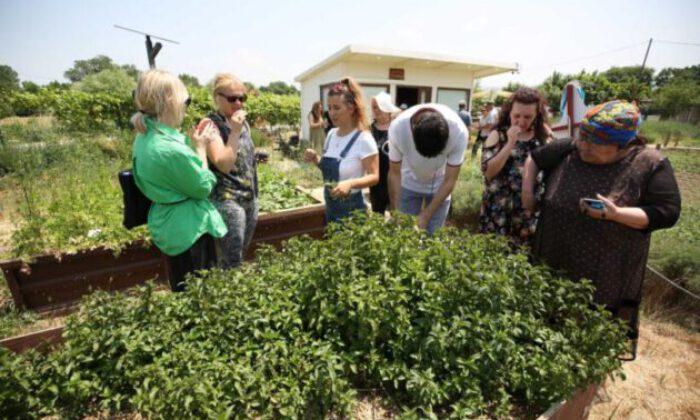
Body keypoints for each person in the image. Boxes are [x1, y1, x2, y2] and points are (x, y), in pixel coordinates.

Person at [522, 100, 681, 340]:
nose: (583, 145)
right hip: (555, 250)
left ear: (622, 145)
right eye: (582, 136)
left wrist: (616, 214)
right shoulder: (571, 148)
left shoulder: (649, 163)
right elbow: (535, 159)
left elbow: (666, 212)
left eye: (593, 142)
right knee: (548, 311)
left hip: (606, 267)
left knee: (593, 325)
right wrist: (528, 194)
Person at [131, 69, 227, 292]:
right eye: (186, 101)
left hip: (169, 224)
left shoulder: (145, 135)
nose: (186, 106)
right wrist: (201, 149)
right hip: (190, 230)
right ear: (170, 101)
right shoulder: (169, 149)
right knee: (202, 296)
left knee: (182, 289)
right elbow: (202, 187)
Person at [198, 73, 260, 269]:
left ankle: (234, 289)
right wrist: (234, 131)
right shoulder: (209, 125)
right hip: (227, 200)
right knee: (230, 258)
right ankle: (228, 293)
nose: (239, 103)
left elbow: (238, 155)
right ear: (218, 98)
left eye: (242, 98)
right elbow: (223, 164)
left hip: (249, 196)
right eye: (232, 98)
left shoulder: (241, 123)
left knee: (240, 252)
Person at [479, 87, 550, 246]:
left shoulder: (542, 137)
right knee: (493, 256)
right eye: (516, 116)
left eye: (528, 116)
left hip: (527, 213)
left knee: (523, 260)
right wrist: (510, 143)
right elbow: (488, 172)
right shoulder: (498, 134)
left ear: (536, 115)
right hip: (498, 212)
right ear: (509, 112)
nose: (521, 121)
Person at [304, 77, 379, 224]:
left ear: (351, 108)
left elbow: (375, 177)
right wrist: (316, 159)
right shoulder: (331, 134)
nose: (331, 113)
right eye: (329, 108)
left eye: (337, 108)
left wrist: (350, 184)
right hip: (331, 208)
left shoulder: (363, 139)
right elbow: (328, 168)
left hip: (352, 211)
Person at [387, 103, 468, 234]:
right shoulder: (398, 129)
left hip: (440, 187)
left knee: (434, 236)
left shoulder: (459, 131)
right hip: (408, 183)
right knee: (403, 234)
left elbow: (450, 180)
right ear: (413, 132)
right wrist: (396, 211)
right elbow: (394, 173)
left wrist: (426, 214)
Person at [369, 91, 400, 214]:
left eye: (378, 106)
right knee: (377, 213)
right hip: (376, 179)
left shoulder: (396, 127)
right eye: (374, 107)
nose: (375, 110)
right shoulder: (369, 128)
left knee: (396, 213)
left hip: (394, 176)